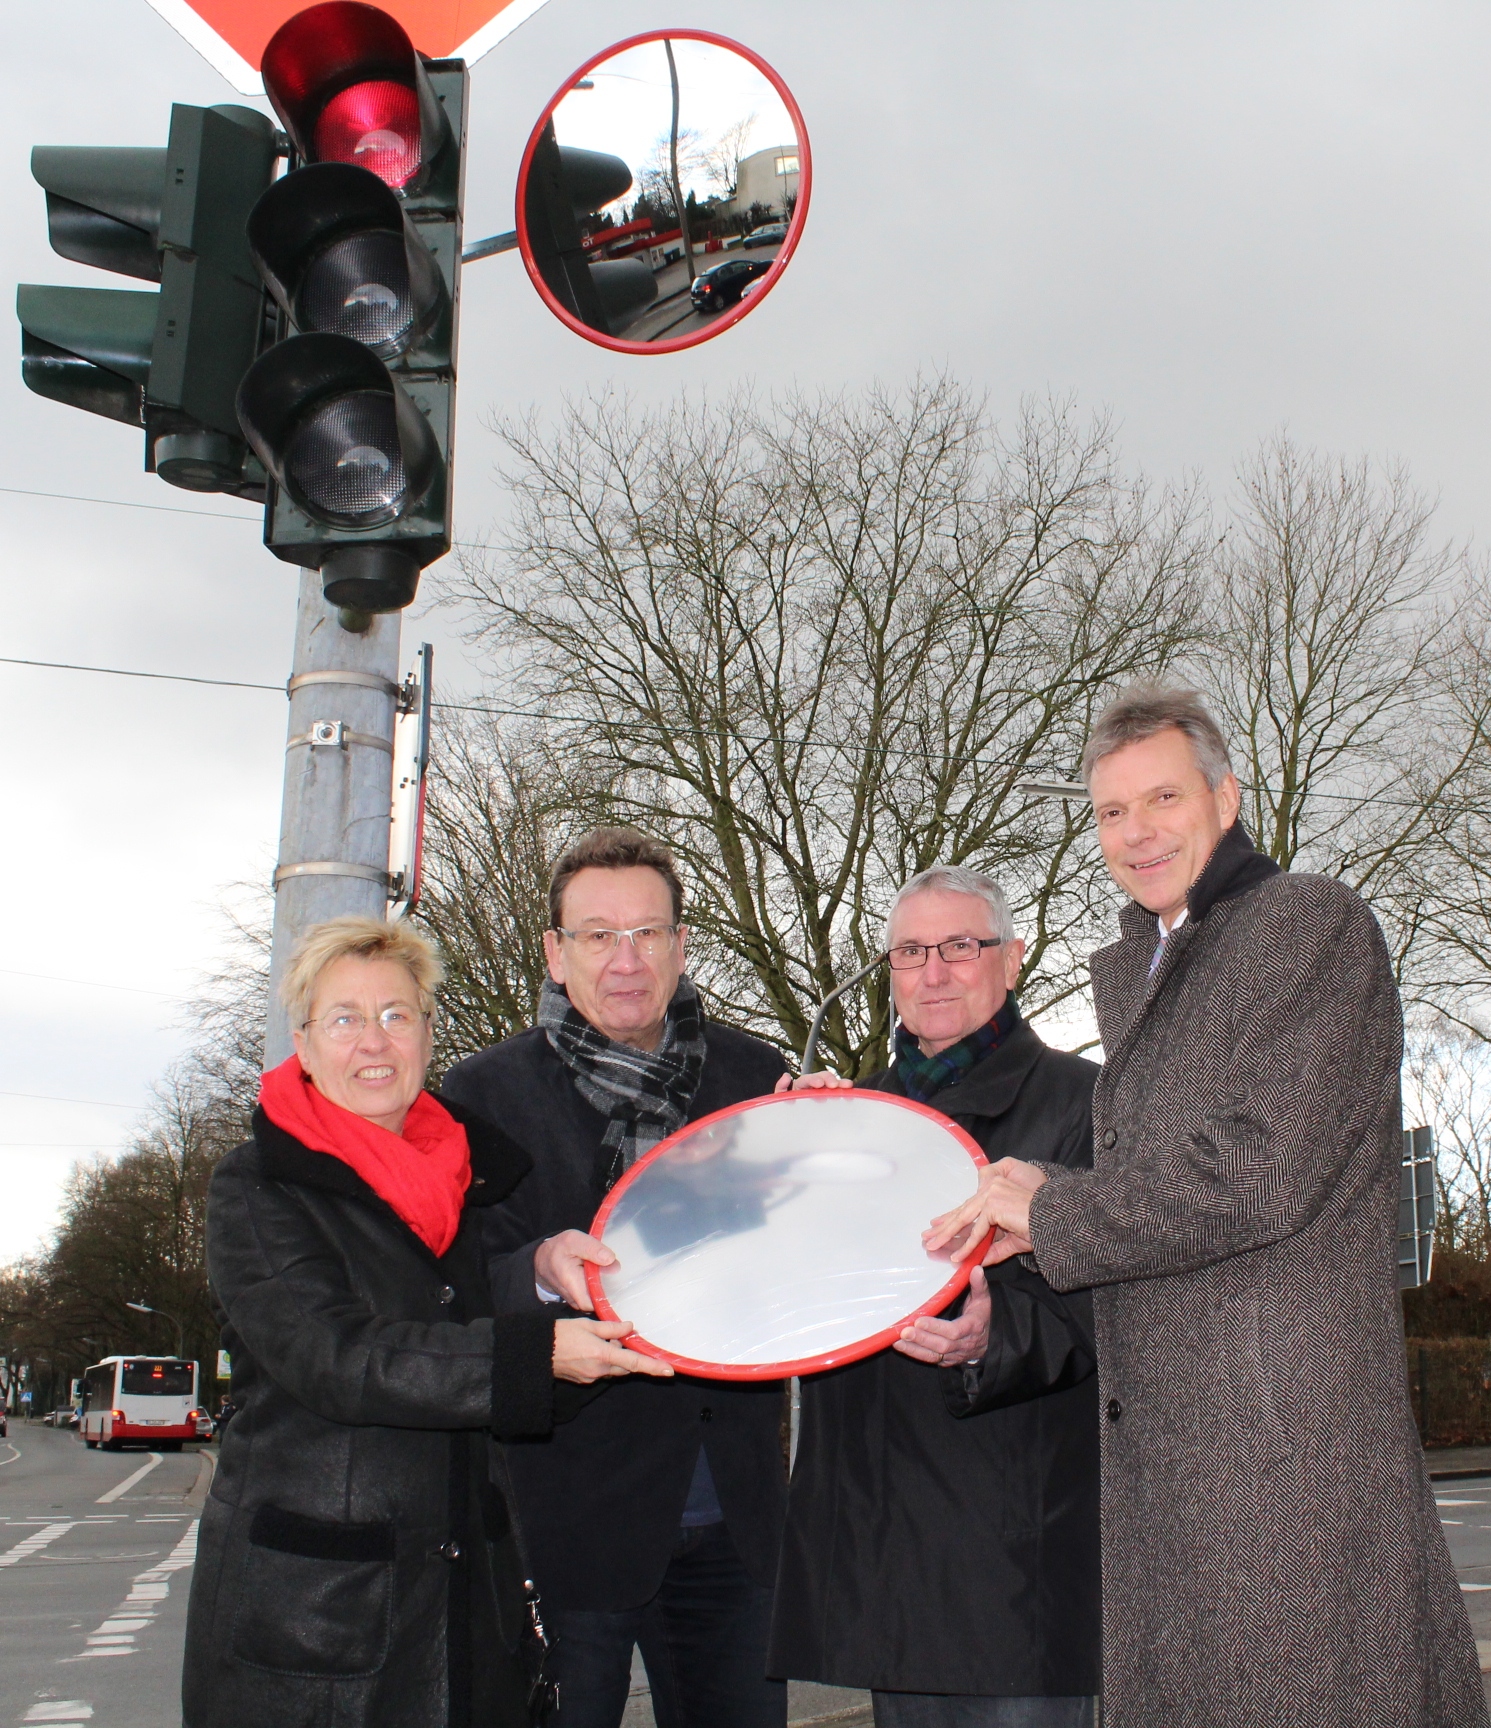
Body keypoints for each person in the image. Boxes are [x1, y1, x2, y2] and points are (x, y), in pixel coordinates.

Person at [928, 686, 1489, 1728]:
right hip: (1189, 1464)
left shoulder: (1308, 924)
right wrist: (1051, 1199)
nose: (1136, 833)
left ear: (1225, 798)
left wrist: (1058, 1217)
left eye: (1162, 799)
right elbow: (1182, 1175)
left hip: (1280, 1467)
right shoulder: (1161, 959)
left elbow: (1259, 1171)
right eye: (1110, 813)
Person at [182, 916, 669, 1728]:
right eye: (344, 1018)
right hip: (323, 1616)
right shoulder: (256, 1187)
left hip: (462, 1605)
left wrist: (553, 1287)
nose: (373, 1040)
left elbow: (463, 1349)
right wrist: (537, 1356)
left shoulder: (454, 1177)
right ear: (301, 1043)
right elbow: (336, 1356)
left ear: (427, 1033)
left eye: (396, 1014)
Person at [440, 827, 790, 1728]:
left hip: (736, 1519)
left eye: (646, 933)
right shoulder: (479, 1098)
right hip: (566, 1525)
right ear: (556, 955)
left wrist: (822, 1152)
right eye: (597, 935)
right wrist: (545, 1276)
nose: (625, 959)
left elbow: (797, 1268)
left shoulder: (760, 1080)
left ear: (680, 945)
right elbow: (460, 1286)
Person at [769, 866, 1101, 1728]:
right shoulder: (849, 1117)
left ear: (1012, 959)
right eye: (910, 951)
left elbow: (1125, 1310)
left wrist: (995, 1339)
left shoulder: (1087, 1102)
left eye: (960, 946)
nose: (933, 971)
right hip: (886, 1556)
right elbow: (795, 1296)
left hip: (1015, 1560)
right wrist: (774, 1166)